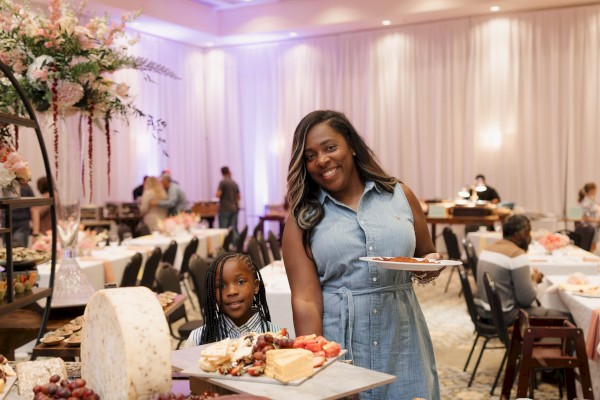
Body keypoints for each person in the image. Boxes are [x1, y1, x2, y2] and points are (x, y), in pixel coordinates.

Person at [282, 110, 443, 400]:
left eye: (330, 147)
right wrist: (320, 364)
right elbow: (305, 299)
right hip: (340, 343)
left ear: (352, 146)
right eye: (310, 156)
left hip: (402, 336)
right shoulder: (301, 218)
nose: (321, 160)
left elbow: (426, 253)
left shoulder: (400, 196)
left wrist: (429, 265)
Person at [474, 214, 571, 325]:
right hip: (504, 316)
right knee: (568, 319)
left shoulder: (487, 249)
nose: (530, 237)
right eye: (528, 232)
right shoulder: (516, 255)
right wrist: (534, 280)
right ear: (517, 235)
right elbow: (526, 300)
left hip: (483, 311)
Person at [186, 252, 279, 346]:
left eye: (241, 282)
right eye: (220, 285)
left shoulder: (276, 336)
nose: (231, 291)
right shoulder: (197, 339)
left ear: (255, 286)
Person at [216, 166, 240, 235]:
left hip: (224, 209)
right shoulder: (234, 183)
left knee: (223, 230)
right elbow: (238, 197)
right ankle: (235, 245)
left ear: (222, 173)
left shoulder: (223, 182)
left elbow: (218, 195)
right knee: (234, 229)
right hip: (234, 208)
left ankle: (224, 245)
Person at [11, 181, 35, 247]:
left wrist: (35, 232)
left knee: (19, 251)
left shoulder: (26, 187)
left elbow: (34, 209)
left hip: (21, 224)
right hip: (6, 223)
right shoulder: (4, 186)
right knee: (6, 252)